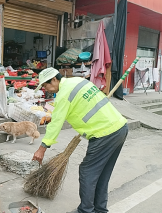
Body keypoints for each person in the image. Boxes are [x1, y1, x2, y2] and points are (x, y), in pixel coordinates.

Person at [32, 67, 128, 213]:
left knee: (87, 171)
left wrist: (42, 148)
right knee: (102, 174)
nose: (46, 89)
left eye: (46, 85)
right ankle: (100, 209)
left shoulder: (64, 95)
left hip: (104, 134)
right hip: (120, 127)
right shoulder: (78, 81)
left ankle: (86, 210)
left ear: (54, 79)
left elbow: (55, 124)